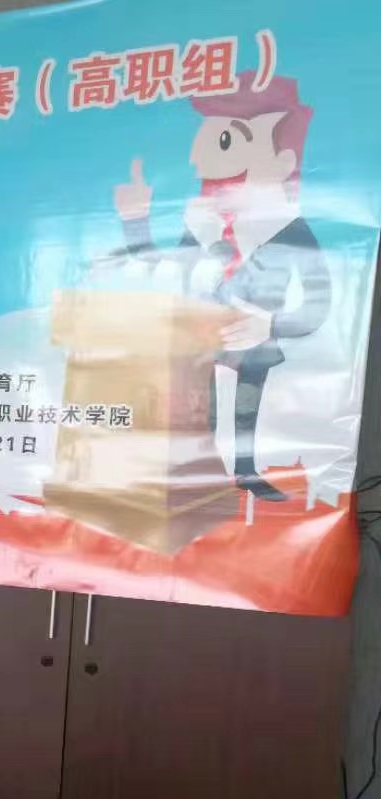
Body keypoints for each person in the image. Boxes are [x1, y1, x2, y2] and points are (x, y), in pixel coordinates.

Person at [111, 71, 331, 502]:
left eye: (224, 141)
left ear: (281, 162)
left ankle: (246, 472)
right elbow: (160, 270)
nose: (198, 159)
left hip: (254, 343)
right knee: (202, 412)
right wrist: (135, 221)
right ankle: (204, 474)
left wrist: (270, 324)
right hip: (200, 338)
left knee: (246, 410)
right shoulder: (203, 224)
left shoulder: (289, 229)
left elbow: (318, 306)